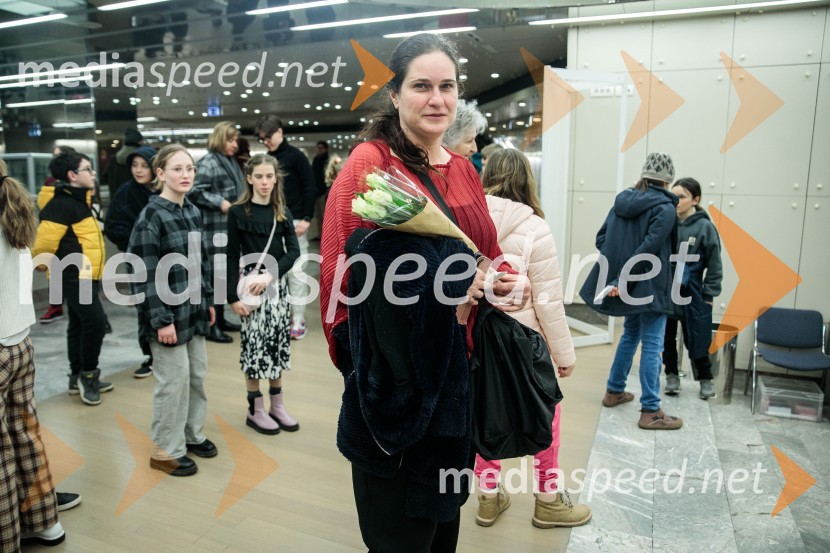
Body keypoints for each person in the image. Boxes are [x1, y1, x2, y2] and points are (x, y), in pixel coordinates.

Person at [319, 34, 530, 553]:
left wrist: (504, 277)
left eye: (447, 86)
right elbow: (341, 279)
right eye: (421, 86)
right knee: (399, 534)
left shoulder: (462, 169)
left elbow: (484, 251)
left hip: (461, 383)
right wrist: (368, 374)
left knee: (442, 529)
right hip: (398, 391)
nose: (437, 99)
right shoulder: (371, 165)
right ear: (394, 95)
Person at [475, 148, 592, 528]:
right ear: (528, 180)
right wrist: (565, 354)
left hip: (477, 340)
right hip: (525, 343)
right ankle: (548, 501)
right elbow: (548, 302)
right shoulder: (536, 228)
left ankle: (488, 499)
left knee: (483, 412)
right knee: (547, 416)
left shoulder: (467, 222)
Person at [128, 144, 218, 477]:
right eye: (177, 169)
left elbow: (201, 263)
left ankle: (191, 435)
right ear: (161, 174)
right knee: (172, 383)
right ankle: (165, 451)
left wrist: (207, 302)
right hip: (166, 318)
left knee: (196, 377)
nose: (185, 175)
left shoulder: (191, 210)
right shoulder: (151, 217)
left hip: (193, 313)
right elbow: (143, 273)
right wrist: (160, 320)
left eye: (190, 169)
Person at [579, 152, 683, 430]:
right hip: (650, 286)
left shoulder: (623, 201)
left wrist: (618, 277)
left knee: (630, 335)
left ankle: (614, 390)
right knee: (652, 344)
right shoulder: (666, 209)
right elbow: (648, 249)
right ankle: (651, 410)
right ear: (668, 180)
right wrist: (624, 278)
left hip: (626, 284)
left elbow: (603, 238)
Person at [0, 160, 66, 549]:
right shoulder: (15, 207)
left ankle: (7, 538)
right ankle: (45, 521)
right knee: (26, 434)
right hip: (21, 341)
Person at [226, 154, 301, 435]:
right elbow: (230, 255)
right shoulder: (237, 212)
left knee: (277, 345)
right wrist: (231, 298)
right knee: (254, 349)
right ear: (249, 178)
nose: (265, 182)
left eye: (270, 176)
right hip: (250, 291)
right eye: (259, 176)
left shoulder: (281, 211)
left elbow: (293, 251)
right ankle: (255, 410)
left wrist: (270, 275)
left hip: (276, 288)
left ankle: (277, 405)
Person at [32, 152, 113, 406]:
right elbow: (42, 245)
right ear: (72, 175)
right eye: (88, 169)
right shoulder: (61, 204)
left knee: (78, 325)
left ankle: (76, 376)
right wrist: (48, 269)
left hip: (87, 275)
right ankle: (88, 375)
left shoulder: (81, 201)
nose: (93, 174)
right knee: (96, 324)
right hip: (74, 276)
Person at [254, 113, 316, 340]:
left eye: (268, 136)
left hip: (297, 221)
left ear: (279, 131)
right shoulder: (266, 159)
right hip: (273, 225)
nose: (266, 141)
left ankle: (298, 319)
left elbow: (310, 187)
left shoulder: (296, 157)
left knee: (297, 274)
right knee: (273, 272)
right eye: (262, 138)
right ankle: (279, 317)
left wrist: (307, 217)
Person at [662, 178, 723, 399]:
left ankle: (705, 379)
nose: (676, 201)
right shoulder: (668, 222)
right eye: (674, 196)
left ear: (696, 200)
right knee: (667, 338)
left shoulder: (705, 227)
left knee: (696, 338)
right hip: (667, 293)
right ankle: (671, 375)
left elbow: (715, 265)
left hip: (694, 294)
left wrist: (709, 295)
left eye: (682, 197)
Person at [187, 121, 245, 344]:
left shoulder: (228, 161)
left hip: (227, 227)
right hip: (213, 228)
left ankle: (220, 319)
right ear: (220, 139)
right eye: (230, 140)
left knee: (223, 276)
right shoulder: (209, 162)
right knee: (213, 278)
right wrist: (219, 202)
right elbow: (194, 190)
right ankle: (211, 325)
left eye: (235, 140)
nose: (234, 145)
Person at [104, 145, 158, 378]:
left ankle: (167, 350)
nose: (138, 170)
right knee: (145, 305)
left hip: (168, 259)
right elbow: (113, 226)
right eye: (134, 165)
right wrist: (137, 242)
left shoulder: (164, 189)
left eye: (144, 165)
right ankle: (150, 355)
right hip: (138, 258)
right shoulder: (126, 191)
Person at [37, 145, 77, 325]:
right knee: (55, 271)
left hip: (75, 237)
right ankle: (56, 305)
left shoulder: (80, 180)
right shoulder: (50, 182)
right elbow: (45, 207)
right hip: (55, 231)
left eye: (59, 156)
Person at [102, 128, 144, 201]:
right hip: (137, 199)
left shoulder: (114, 158)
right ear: (139, 142)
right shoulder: (141, 157)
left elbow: (104, 177)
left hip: (118, 200)